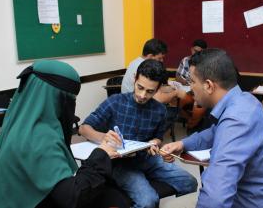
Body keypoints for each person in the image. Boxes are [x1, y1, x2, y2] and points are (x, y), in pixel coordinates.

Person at [161, 49, 263, 208]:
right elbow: (214, 132)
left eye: (192, 81)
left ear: (208, 86)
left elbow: (214, 198)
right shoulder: (244, 99)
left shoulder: (237, 121)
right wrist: (183, 144)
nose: (190, 88)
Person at [0, 60, 130, 208]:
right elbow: (74, 197)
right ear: (57, 98)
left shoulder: (17, 120)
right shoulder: (40, 136)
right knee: (116, 200)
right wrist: (101, 154)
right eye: (71, 100)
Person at [79, 59, 197, 208]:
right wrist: (104, 137)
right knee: (148, 201)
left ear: (159, 88)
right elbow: (83, 128)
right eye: (140, 87)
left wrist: (155, 142)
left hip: (148, 159)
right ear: (134, 78)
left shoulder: (160, 110)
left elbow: (158, 137)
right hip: (120, 164)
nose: (142, 95)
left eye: (150, 91)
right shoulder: (115, 102)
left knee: (189, 183)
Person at [176, 39, 208, 132]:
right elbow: (178, 75)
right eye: (194, 50)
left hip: (202, 93)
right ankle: (191, 122)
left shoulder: (207, 63)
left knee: (197, 107)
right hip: (188, 90)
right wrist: (183, 81)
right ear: (191, 49)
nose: (196, 53)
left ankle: (193, 126)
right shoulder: (186, 60)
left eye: (199, 51)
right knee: (181, 103)